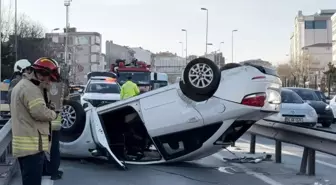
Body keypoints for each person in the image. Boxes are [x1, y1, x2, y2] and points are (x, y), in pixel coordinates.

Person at [10, 57, 62, 185]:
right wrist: (54, 114)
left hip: (27, 145)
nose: (50, 82)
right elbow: (40, 112)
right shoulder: (31, 89)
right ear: (41, 75)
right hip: (31, 146)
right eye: (50, 79)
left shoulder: (26, 85)